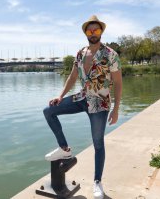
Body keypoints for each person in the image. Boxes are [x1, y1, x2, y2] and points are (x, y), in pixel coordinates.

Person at [43, 15, 122, 199]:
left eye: (96, 30)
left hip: (100, 103)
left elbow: (118, 83)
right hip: (82, 98)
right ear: (85, 32)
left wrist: (116, 108)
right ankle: (65, 149)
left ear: (101, 32)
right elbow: (72, 77)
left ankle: (97, 182)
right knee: (49, 111)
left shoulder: (111, 54)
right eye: (90, 30)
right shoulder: (80, 53)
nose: (93, 33)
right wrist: (60, 96)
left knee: (98, 143)